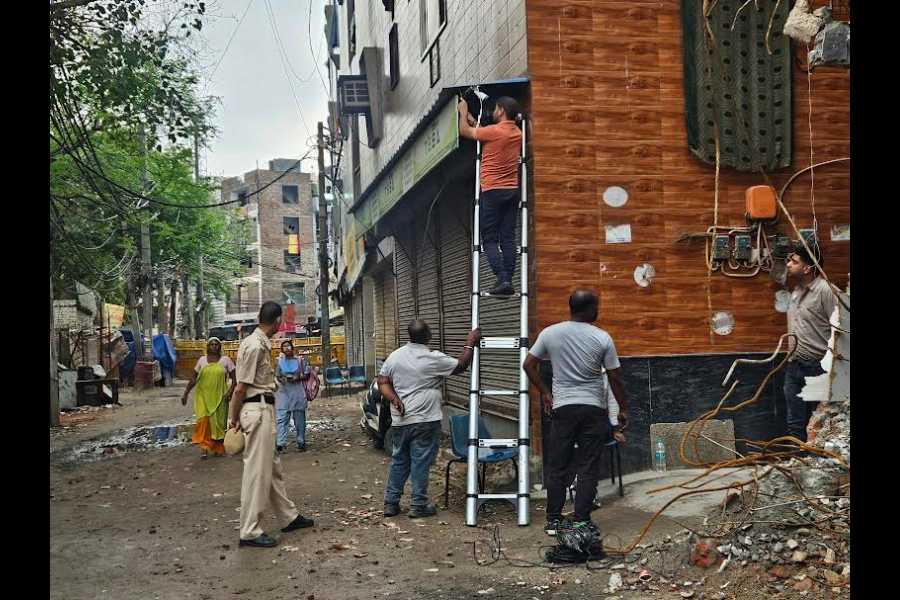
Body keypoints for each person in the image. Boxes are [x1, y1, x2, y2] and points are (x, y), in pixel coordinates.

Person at [523, 290, 629, 536]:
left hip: (563, 408)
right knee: (588, 467)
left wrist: (546, 393)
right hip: (593, 409)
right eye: (597, 306)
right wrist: (623, 409)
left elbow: (528, 364)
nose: (598, 310)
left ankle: (553, 520)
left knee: (557, 465)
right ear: (590, 308)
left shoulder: (550, 333)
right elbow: (614, 378)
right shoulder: (602, 338)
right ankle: (581, 520)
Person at [228, 302, 314, 548]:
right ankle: (250, 531)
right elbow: (240, 387)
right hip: (257, 410)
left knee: (272, 469)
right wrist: (233, 419)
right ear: (277, 321)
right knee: (258, 472)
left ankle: (289, 517)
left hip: (264, 408)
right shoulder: (254, 346)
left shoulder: (260, 344)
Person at [379, 320, 482, 518]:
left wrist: (394, 399)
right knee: (420, 461)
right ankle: (418, 505)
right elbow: (461, 366)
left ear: (410, 335)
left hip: (401, 420)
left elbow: (382, 381)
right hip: (425, 419)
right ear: (428, 335)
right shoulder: (432, 358)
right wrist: (470, 342)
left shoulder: (395, 356)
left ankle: (391, 504)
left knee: (400, 460)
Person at [458, 95, 523, 296]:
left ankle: (502, 278)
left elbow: (465, 131)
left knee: (490, 239)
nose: (493, 112)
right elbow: (482, 131)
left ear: (501, 110)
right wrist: (471, 118)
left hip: (492, 191)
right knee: (508, 238)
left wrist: (462, 112)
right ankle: (508, 279)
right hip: (512, 190)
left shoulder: (494, 131)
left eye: (495, 109)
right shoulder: (517, 133)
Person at [784, 243, 837, 442]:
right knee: (794, 422)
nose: (788, 264)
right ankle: (796, 467)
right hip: (793, 365)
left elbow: (842, 328)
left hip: (818, 367)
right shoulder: (797, 291)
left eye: (794, 261)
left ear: (807, 268)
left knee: (820, 424)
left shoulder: (826, 291)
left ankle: (819, 466)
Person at [181, 337, 236, 458]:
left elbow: (234, 379)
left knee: (219, 424)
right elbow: (193, 379)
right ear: (208, 346)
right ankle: (204, 448)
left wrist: (230, 392)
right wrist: (185, 393)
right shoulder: (202, 360)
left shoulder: (226, 360)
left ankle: (218, 447)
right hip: (203, 397)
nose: (214, 346)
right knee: (204, 422)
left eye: (217, 344)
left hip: (221, 397)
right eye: (212, 344)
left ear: (220, 346)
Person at [275, 340, 312, 453]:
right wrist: (283, 379)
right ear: (282, 350)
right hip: (283, 392)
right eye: (284, 347)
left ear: (292, 348)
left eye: (288, 346)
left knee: (299, 418)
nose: (287, 348)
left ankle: (301, 441)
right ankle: (280, 443)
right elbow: (277, 375)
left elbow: (307, 373)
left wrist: (297, 377)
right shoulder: (279, 362)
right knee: (282, 418)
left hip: (297, 392)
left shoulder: (300, 360)